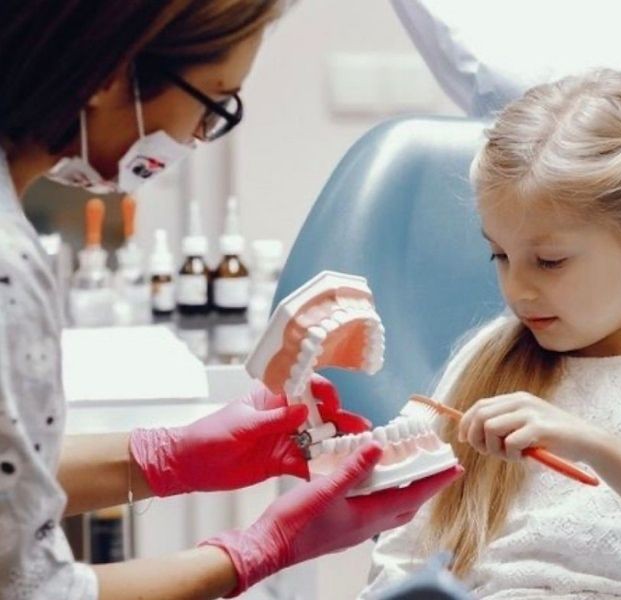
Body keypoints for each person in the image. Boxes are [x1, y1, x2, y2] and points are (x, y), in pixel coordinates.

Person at [0, 2, 461, 598]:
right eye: (214, 102)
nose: (198, 134)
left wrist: (168, 458)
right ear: (112, 74)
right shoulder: (9, 265)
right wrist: (257, 551)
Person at [361, 69, 621, 599]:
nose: (518, 288)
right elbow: (405, 543)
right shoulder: (490, 357)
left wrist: (592, 444)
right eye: (500, 255)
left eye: (550, 262)